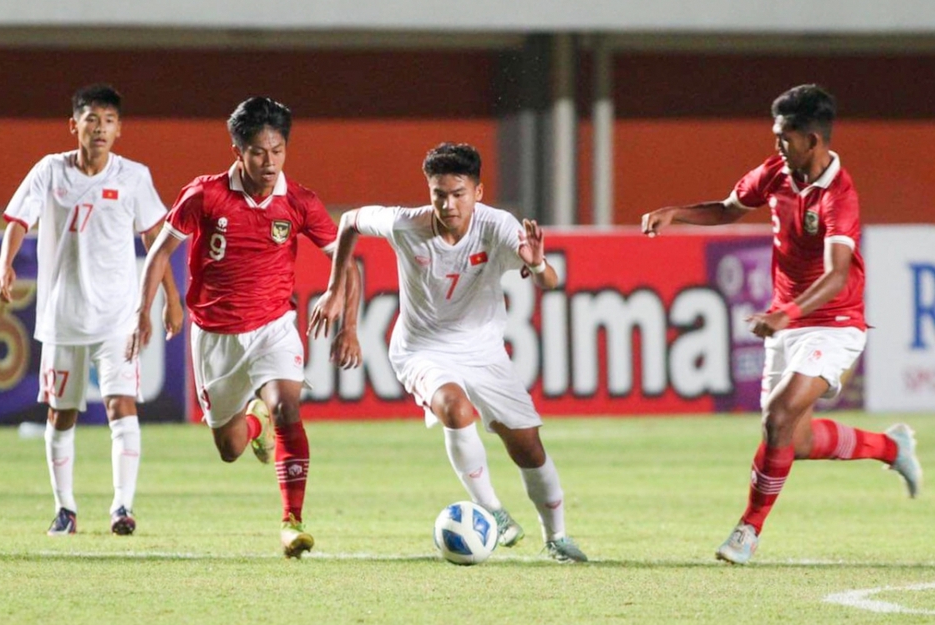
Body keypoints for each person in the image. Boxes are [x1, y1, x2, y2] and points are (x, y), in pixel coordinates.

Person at [641, 84, 922, 564]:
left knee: (779, 413)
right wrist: (678, 213)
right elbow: (730, 209)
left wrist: (786, 313)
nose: (777, 145)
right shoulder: (776, 172)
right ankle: (889, 446)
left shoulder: (840, 195)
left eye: (784, 137)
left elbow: (836, 277)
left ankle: (747, 531)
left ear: (813, 139)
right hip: (787, 321)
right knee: (794, 437)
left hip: (833, 322)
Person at [310, 142, 588, 563]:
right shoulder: (406, 224)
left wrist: (537, 263)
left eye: (458, 193)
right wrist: (335, 293)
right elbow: (348, 221)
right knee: (455, 409)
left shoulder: (497, 226)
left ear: (478, 191)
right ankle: (493, 511)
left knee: (527, 445)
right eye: (439, 193)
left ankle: (558, 537)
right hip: (421, 348)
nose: (448, 203)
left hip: (483, 349)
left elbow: (550, 282)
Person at [129, 96, 362, 559]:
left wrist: (347, 322)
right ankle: (254, 425)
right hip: (215, 335)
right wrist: (148, 311)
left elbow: (345, 262)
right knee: (230, 447)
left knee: (288, 410)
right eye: (259, 151)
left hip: (273, 327)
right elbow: (160, 251)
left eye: (278, 151)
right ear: (238, 151)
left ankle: (292, 522)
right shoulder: (204, 195)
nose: (270, 161)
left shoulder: (299, 201)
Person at [0, 83, 183, 537]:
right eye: (91, 119)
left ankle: (122, 508)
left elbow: (155, 241)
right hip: (62, 317)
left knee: (123, 407)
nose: (100, 128)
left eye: (109, 121)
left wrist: (171, 299)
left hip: (118, 317)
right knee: (62, 414)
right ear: (73, 124)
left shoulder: (133, 177)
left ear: (119, 129)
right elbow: (18, 220)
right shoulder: (50, 171)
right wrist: (5, 265)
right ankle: (66, 509)